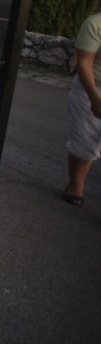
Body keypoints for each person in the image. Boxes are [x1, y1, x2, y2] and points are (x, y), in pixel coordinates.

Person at [64, 11, 101, 206]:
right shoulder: (95, 24)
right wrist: (95, 98)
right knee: (85, 143)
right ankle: (76, 182)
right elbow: (84, 64)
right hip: (91, 88)